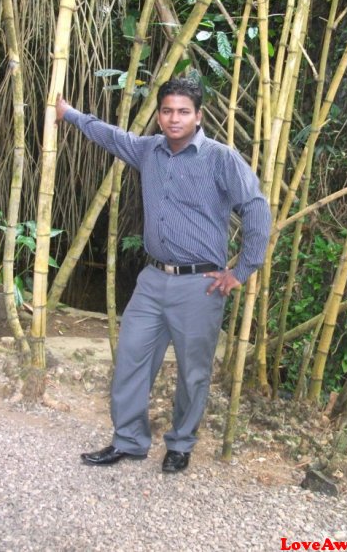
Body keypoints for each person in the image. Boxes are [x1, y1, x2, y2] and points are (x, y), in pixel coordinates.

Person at [55, 78, 270, 473]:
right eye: (168, 111)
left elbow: (256, 209)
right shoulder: (148, 150)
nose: (174, 119)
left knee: (193, 372)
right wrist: (69, 114)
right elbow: (111, 136)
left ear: (199, 116)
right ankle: (129, 440)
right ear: (159, 115)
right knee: (131, 359)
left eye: (183, 111)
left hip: (200, 285)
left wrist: (241, 271)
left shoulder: (220, 158)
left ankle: (181, 443)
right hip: (152, 281)